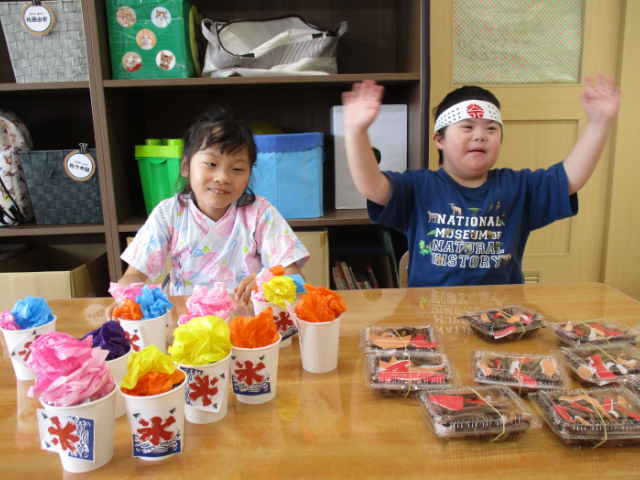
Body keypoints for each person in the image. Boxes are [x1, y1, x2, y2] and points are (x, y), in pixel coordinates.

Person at [342, 74, 620, 287]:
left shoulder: (517, 187)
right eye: (467, 127)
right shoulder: (420, 187)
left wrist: (599, 123)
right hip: (430, 322)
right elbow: (372, 186)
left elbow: (569, 178)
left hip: (501, 321)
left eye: (491, 129)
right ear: (439, 139)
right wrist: (356, 131)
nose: (480, 135)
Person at [111, 105, 310, 313]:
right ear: (186, 166)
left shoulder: (261, 214)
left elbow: (296, 279)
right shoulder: (168, 213)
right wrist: (126, 300)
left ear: (249, 174)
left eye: (237, 169)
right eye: (211, 163)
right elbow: (133, 275)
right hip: (188, 322)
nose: (223, 177)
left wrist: (269, 282)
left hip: (248, 322)